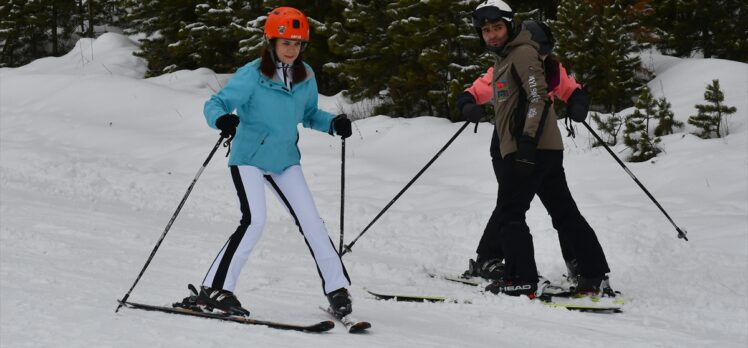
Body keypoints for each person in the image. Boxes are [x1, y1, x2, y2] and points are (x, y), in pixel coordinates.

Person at [183, 7, 354, 317]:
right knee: (254, 219)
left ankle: (337, 290)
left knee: (313, 222)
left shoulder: (306, 76)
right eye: (286, 42)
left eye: (298, 43)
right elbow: (217, 103)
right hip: (248, 156)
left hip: (285, 159)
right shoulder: (253, 74)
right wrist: (221, 119)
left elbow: (309, 115)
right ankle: (214, 289)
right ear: (271, 42)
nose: (292, 49)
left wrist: (333, 123)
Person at [455, 0, 614, 297]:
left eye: (496, 28)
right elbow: (479, 91)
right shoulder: (505, 59)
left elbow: (542, 96)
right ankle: (593, 273)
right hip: (529, 144)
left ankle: (521, 277)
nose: (491, 35)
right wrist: (467, 104)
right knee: (559, 211)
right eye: (486, 30)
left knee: (511, 210)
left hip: (527, 144)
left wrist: (528, 142)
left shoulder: (524, 55)